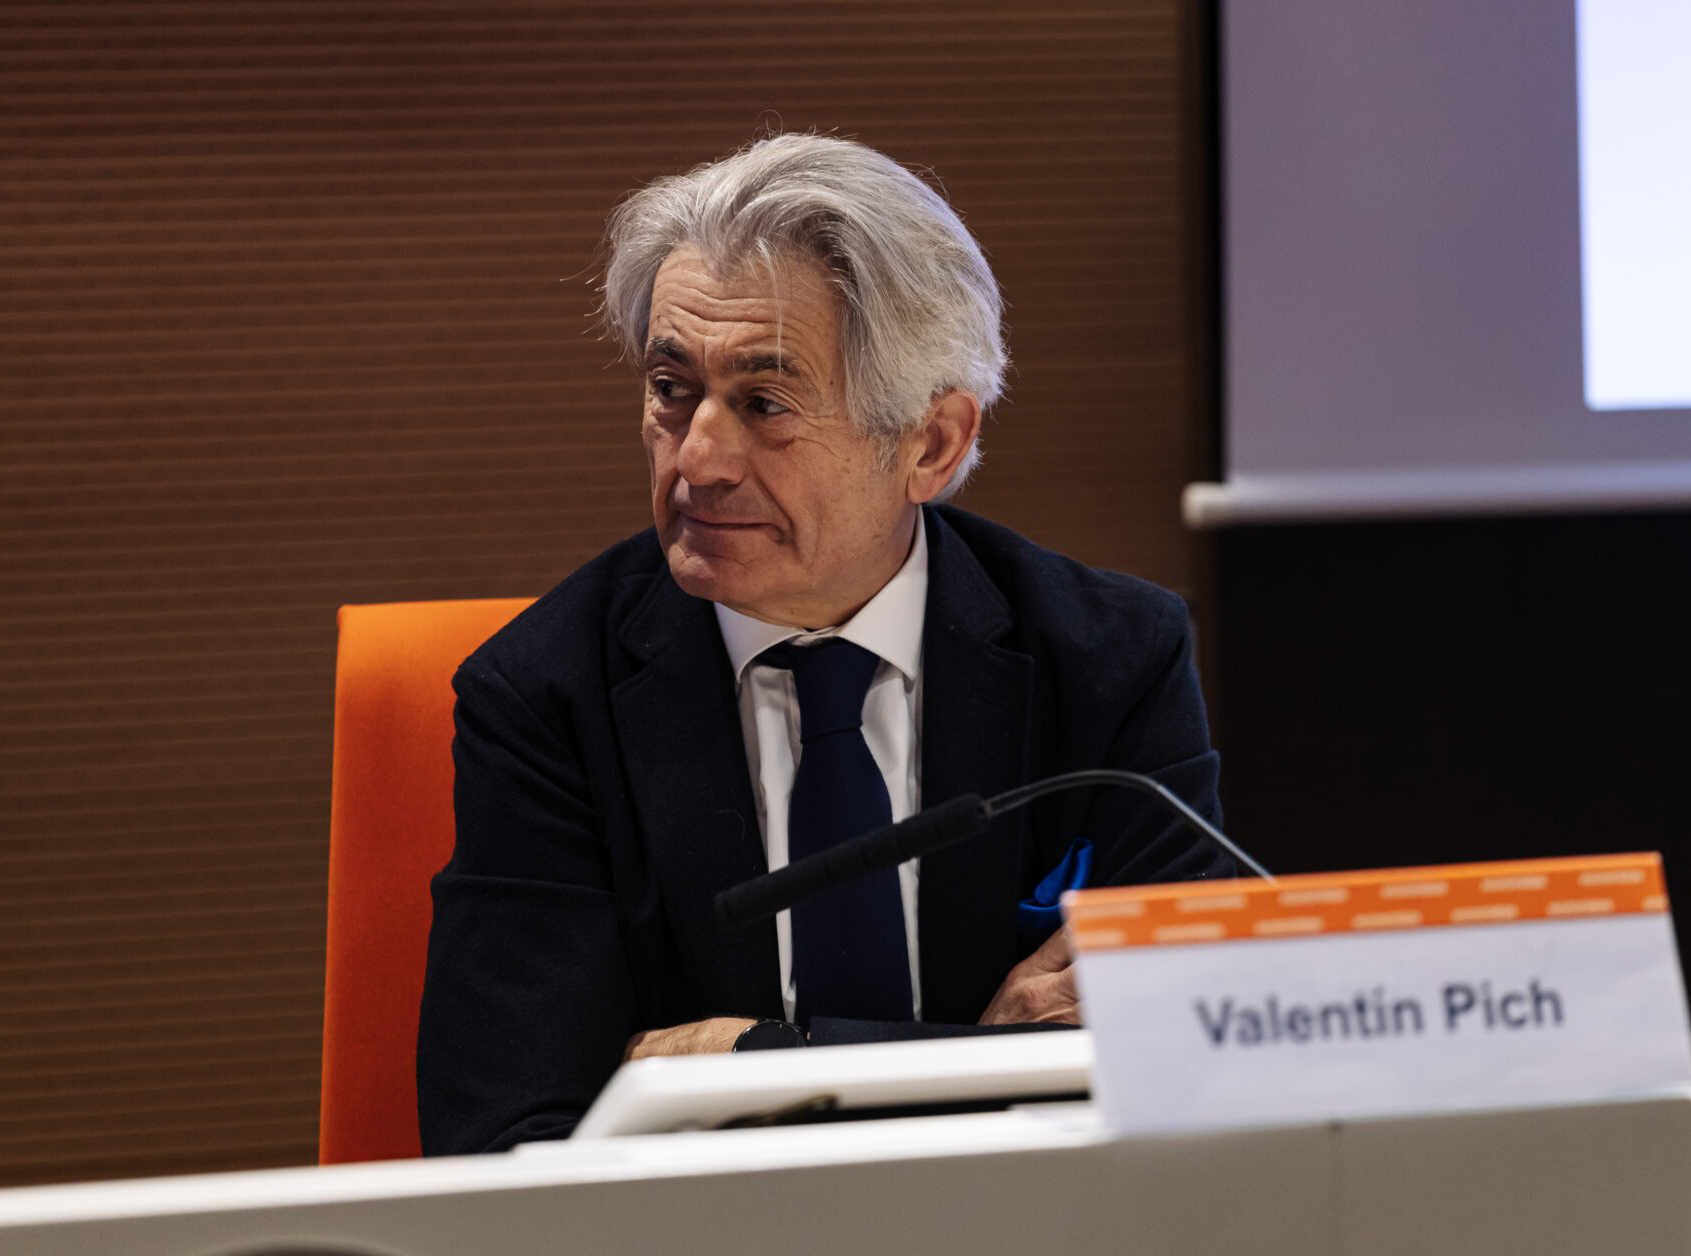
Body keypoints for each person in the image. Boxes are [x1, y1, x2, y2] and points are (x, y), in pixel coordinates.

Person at [416, 134, 1232, 1155]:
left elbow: (1196, 1063)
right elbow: (504, 1136)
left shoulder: (1111, 661)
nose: (698, 459)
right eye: (672, 388)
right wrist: (981, 1059)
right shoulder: (545, 697)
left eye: (764, 404)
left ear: (930, 443)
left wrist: (757, 1055)